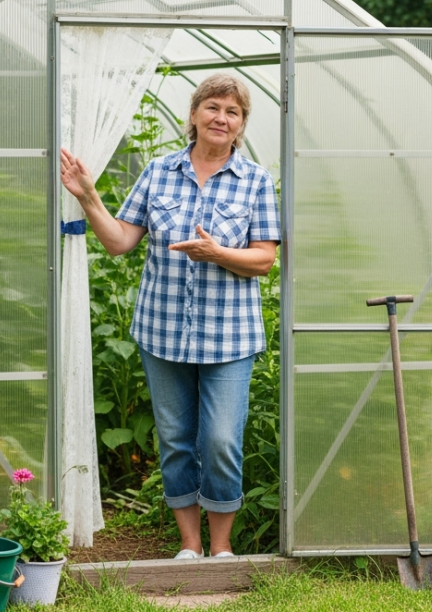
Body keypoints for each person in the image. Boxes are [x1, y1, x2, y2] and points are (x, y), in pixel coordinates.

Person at [59, 73, 280, 559]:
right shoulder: (158, 172)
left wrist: (218, 252)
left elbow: (264, 259)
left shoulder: (256, 182)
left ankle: (222, 549)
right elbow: (119, 243)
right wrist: (87, 196)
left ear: (241, 125)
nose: (222, 118)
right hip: (162, 333)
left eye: (233, 111)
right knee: (177, 440)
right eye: (213, 107)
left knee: (221, 439)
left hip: (229, 338)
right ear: (195, 115)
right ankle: (190, 545)